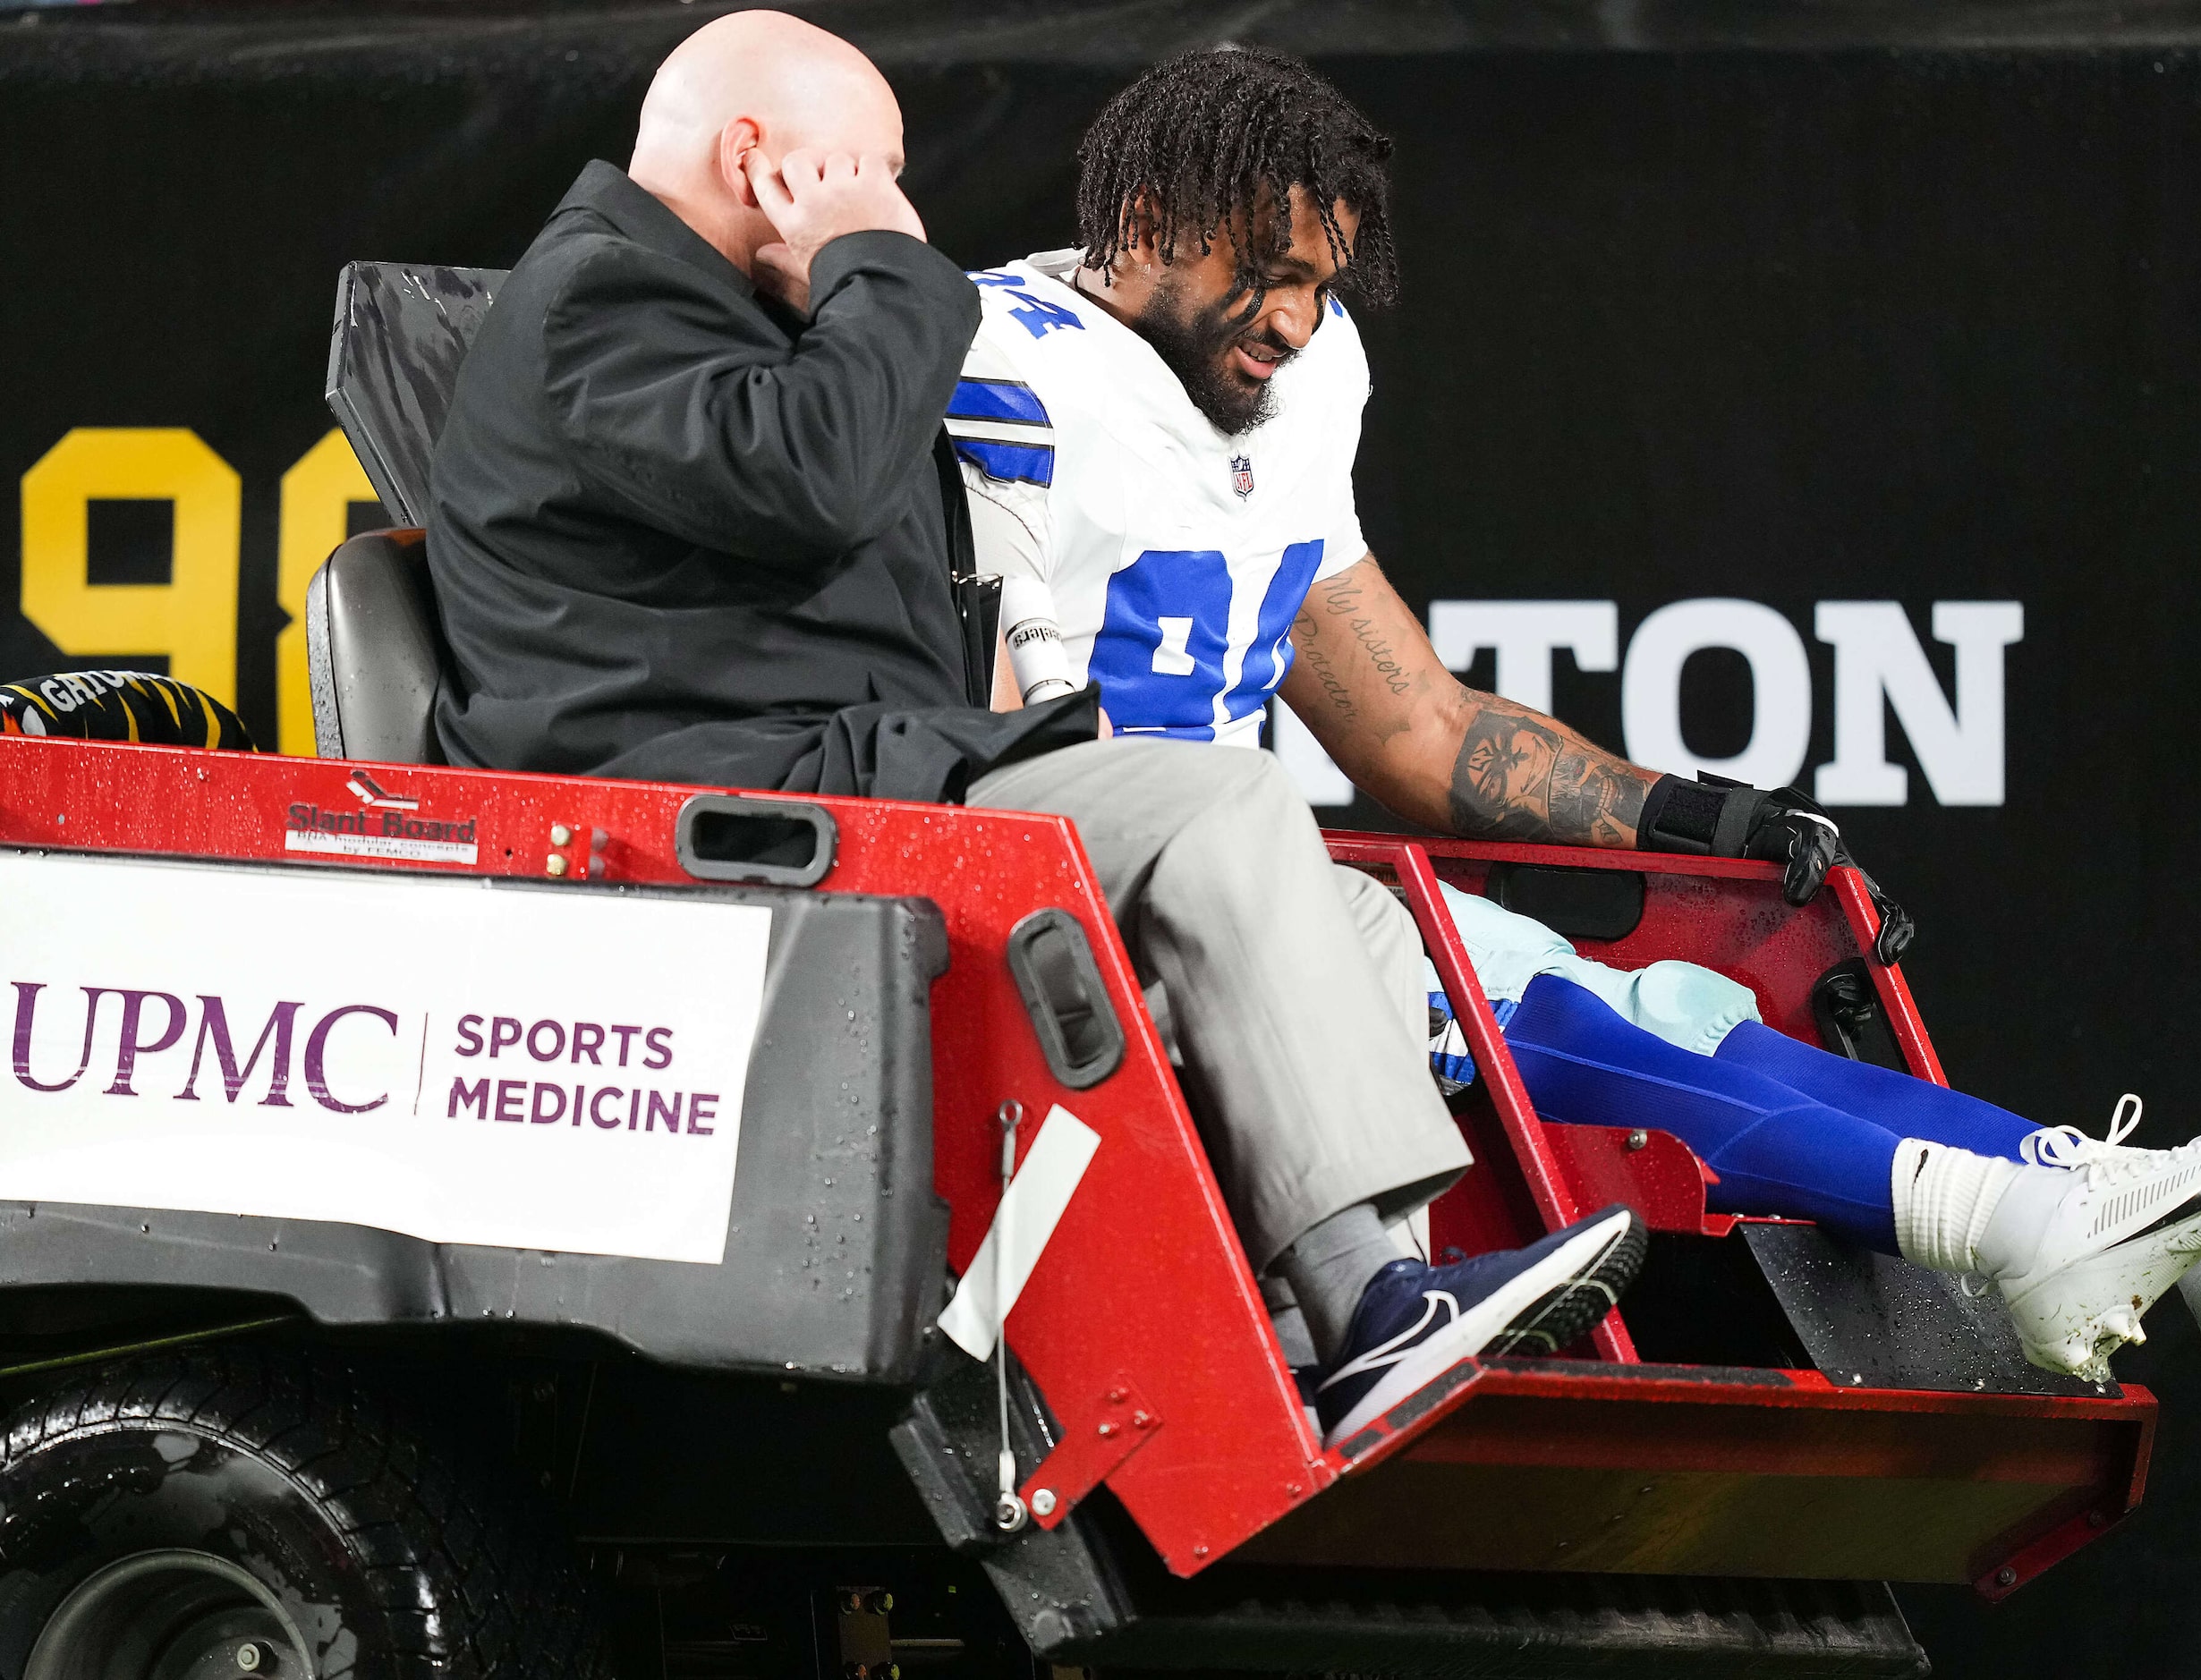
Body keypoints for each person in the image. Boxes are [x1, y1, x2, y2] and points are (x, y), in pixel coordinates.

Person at [947, 45, 2201, 1381]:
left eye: (1316, 282)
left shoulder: (1300, 376)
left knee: (1680, 1000)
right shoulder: (995, 361)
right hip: (1116, 917)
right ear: (1142, 221)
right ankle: (2035, 1215)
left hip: (1264, 884)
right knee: (1536, 1008)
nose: (1289, 320)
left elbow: (1409, 721)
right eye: (1260, 273)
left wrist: (1683, 814)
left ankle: (2119, 1199)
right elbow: (993, 728)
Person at [421, 10, 1639, 1452]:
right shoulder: (596, 296)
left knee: (1350, 916)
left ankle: (1338, 1318)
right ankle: (1368, 1307)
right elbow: (810, 478)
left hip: (850, 782)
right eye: (858, 167)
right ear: (753, 157)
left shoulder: (724, 316)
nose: (889, 199)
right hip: (710, 818)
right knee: (1219, 804)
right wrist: (883, 261)